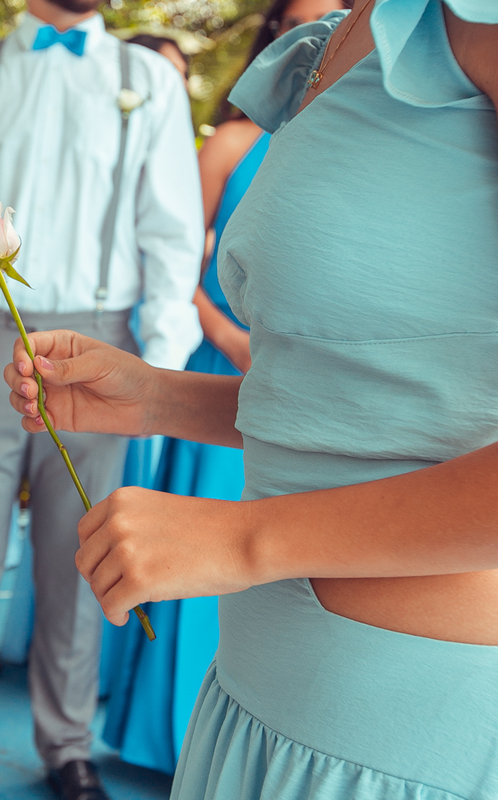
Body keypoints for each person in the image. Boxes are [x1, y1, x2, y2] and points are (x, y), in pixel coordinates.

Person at [5, 1, 498, 798]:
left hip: (419, 729)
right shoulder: (341, 38)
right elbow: (370, 400)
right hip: (258, 690)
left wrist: (242, 540)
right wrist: (155, 399)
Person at [0, 0, 204, 794]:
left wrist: (157, 371)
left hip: (104, 349)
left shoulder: (148, 79)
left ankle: (67, 744)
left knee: (85, 554)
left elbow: (169, 226)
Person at [99, 0, 348, 775]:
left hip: (314, 381)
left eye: (341, 13)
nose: (325, 30)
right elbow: (180, 264)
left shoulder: (359, 144)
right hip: (224, 359)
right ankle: (172, 734)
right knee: (200, 546)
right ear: (272, 36)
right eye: (303, 19)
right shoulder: (231, 144)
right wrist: (224, 336)